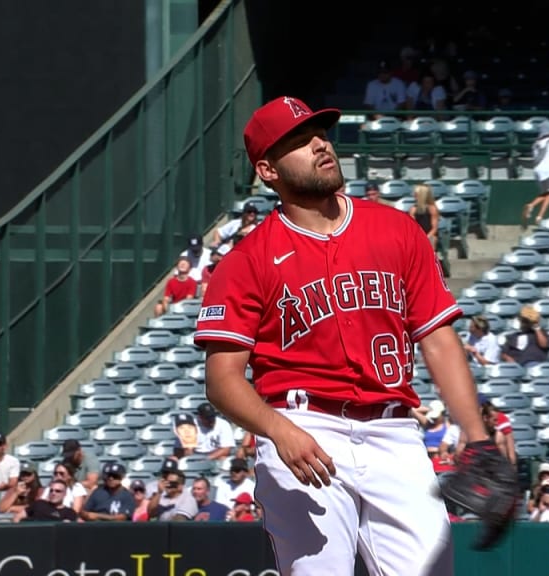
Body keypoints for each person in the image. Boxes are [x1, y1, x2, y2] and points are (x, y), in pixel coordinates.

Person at [193, 96, 491, 575]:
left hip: (395, 431)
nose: (319, 145)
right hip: (303, 428)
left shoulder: (397, 230)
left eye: (320, 133)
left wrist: (476, 438)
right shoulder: (245, 261)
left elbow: (437, 338)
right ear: (268, 170)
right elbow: (222, 379)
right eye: (299, 141)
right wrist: (278, 430)